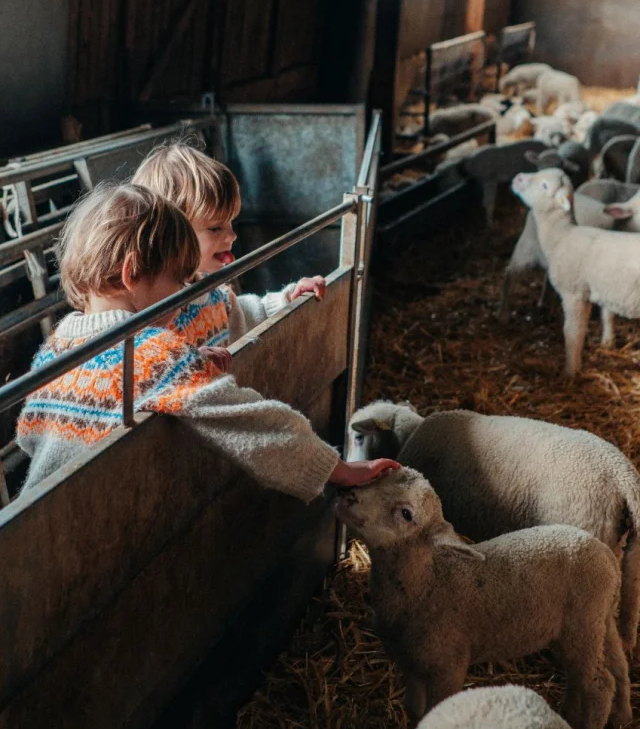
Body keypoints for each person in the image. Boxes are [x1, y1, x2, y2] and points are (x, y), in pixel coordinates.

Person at [16, 184, 398, 496]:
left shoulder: (56, 347)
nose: (185, 293)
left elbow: (28, 437)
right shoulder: (155, 355)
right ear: (132, 274)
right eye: (179, 282)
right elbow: (253, 420)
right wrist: (337, 469)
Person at [131, 142, 326, 369]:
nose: (232, 236)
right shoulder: (150, 309)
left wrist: (289, 300)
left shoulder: (212, 293)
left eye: (231, 222)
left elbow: (246, 317)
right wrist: (187, 363)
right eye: (215, 228)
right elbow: (138, 370)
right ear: (168, 235)